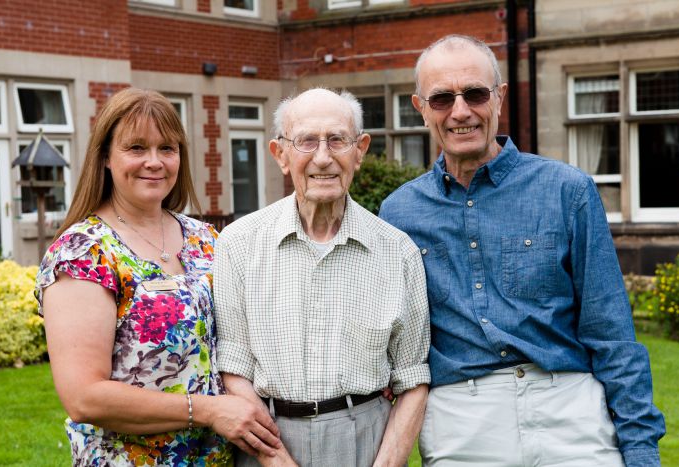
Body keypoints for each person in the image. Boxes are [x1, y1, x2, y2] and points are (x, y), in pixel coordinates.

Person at [379, 35, 666, 467]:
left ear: (499, 98)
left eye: (475, 93)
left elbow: (610, 332)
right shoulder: (398, 212)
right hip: (462, 421)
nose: (461, 112)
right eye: (442, 99)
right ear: (420, 108)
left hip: (569, 406)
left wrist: (641, 449)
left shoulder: (567, 191)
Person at [36, 87, 281, 466]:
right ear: (105, 157)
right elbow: (83, 396)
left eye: (167, 148)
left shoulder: (207, 240)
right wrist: (209, 411)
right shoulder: (84, 252)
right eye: (136, 148)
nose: (154, 161)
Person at [214, 87, 431, 467]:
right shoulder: (239, 244)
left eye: (337, 140)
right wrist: (278, 460)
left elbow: (413, 379)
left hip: (365, 440)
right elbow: (234, 369)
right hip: (268, 442)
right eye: (306, 142)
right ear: (280, 155)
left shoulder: (398, 252)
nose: (323, 158)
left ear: (360, 150)